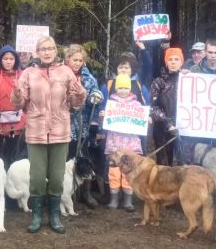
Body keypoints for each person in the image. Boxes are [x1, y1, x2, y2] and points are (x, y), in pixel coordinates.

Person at [11, 36, 86, 234]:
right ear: (37, 52)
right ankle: (36, 215)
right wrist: (17, 95)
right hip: (35, 131)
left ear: (56, 51)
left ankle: (54, 215)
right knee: (36, 178)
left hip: (60, 132)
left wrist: (80, 93)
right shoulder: (28, 73)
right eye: (43, 49)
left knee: (56, 177)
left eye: (50, 48)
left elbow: (75, 103)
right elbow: (19, 103)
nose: (47, 52)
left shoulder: (66, 72)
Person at [64, 44, 103, 208]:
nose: (77, 63)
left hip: (82, 127)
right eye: (74, 60)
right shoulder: (60, 74)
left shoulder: (88, 78)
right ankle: (63, 193)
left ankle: (85, 194)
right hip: (63, 127)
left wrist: (96, 96)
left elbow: (96, 92)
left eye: (80, 60)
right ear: (67, 59)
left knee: (84, 160)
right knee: (65, 162)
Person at [0, 45, 27, 170]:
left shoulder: (23, 75)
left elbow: (28, 100)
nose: (8, 61)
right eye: (5, 58)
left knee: (14, 159)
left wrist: (24, 120)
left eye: (11, 59)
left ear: (16, 60)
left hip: (18, 125)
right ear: (0, 59)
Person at [104, 74, 143, 212]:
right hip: (114, 144)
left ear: (130, 88)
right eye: (119, 87)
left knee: (129, 172)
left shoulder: (136, 104)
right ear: (116, 88)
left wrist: (147, 119)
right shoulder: (111, 104)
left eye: (125, 87)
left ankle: (128, 200)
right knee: (114, 172)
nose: (122, 90)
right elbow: (105, 120)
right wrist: (103, 115)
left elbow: (141, 119)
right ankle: (114, 199)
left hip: (130, 145)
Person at [149, 47, 185, 166]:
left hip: (184, 129)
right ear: (166, 62)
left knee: (182, 164)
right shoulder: (159, 82)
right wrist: (168, 124)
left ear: (181, 62)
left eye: (176, 59)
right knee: (164, 166)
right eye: (170, 59)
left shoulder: (188, 81)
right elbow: (153, 107)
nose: (173, 62)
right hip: (162, 129)